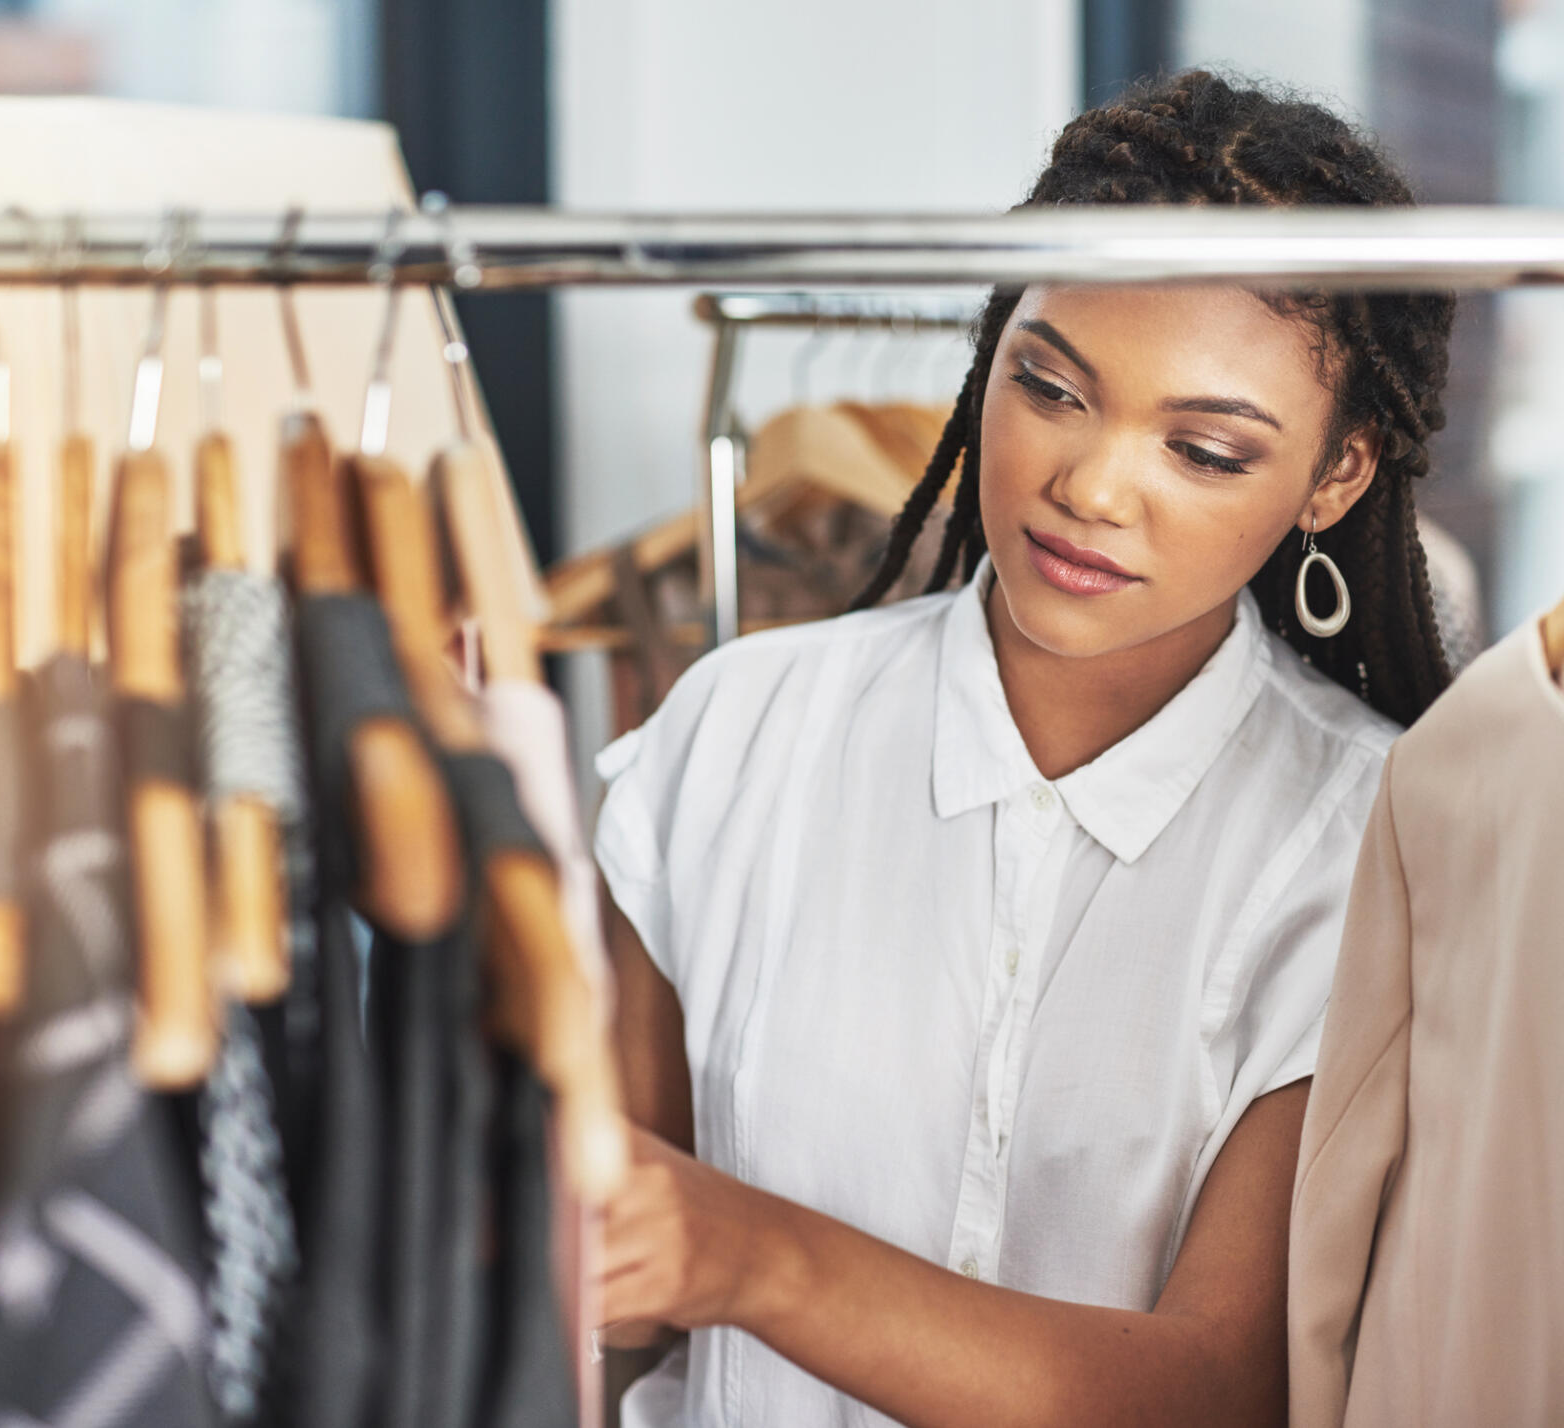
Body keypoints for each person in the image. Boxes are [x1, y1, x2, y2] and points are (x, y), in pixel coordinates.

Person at [591, 69, 1454, 1428]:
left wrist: (744, 1252)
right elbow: (613, 1279)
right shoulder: (732, 735)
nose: (1090, 487)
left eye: (1207, 451)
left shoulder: (1367, 845)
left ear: (1334, 478)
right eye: (1051, 386)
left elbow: (1219, 1390)